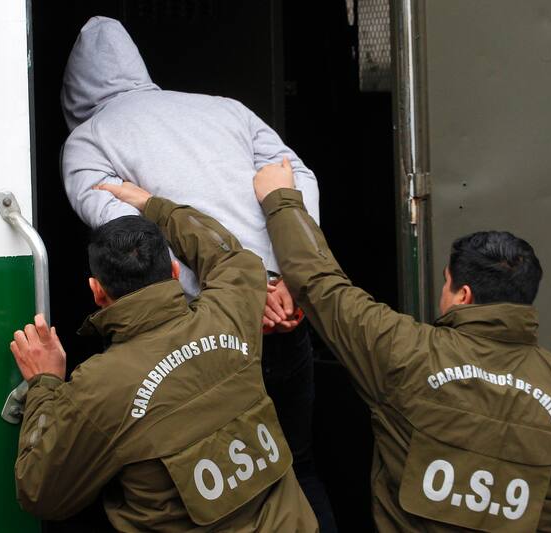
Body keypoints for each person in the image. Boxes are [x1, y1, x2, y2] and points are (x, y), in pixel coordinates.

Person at [250, 160, 551, 531]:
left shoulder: (403, 352)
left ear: (462, 294)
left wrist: (281, 199)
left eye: (447, 283)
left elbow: (321, 284)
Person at [60, 16, 336, 529]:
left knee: (209, 492)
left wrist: (240, 297)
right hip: (284, 313)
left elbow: (131, 241)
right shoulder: (225, 109)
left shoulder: (86, 141)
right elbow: (293, 177)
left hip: (199, 339)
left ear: (74, 91)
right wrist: (281, 276)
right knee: (296, 465)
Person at [9, 188, 318, 531]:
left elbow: (40, 493)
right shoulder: (230, 311)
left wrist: (45, 384)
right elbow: (230, 256)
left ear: (96, 290)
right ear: (173, 271)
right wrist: (153, 205)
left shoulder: (99, 387)